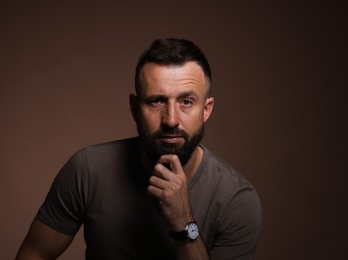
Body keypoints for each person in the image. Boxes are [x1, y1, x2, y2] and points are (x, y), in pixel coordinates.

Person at [16, 38, 262, 260]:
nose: (171, 119)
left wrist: (184, 223)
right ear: (134, 108)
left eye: (186, 102)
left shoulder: (236, 200)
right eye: (156, 101)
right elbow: (36, 253)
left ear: (206, 110)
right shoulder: (88, 169)